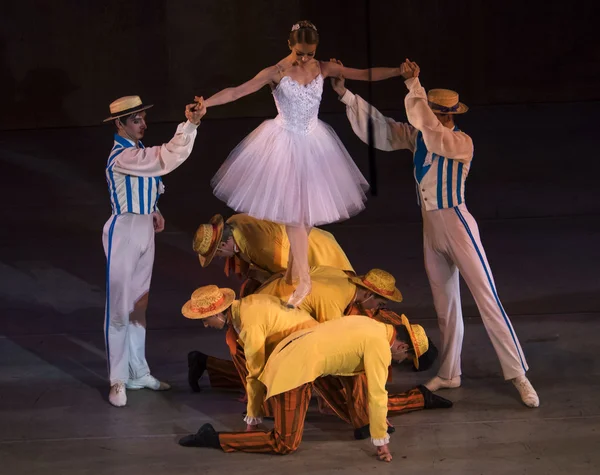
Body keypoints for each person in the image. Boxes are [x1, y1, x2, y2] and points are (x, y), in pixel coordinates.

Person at [330, 58, 539, 407]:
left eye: (434, 112)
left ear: (447, 115)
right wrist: (346, 96)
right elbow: (382, 129)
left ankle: (519, 374)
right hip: (431, 230)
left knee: (488, 300)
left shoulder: (460, 142)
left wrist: (415, 89)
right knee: (445, 305)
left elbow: (431, 131)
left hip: (458, 225)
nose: (430, 115)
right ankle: (449, 372)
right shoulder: (420, 136)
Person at [199, 20, 404, 308]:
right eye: (299, 52)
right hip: (284, 142)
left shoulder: (322, 68)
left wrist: (398, 71)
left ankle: (294, 274)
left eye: (309, 53)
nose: (304, 58)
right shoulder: (276, 72)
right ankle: (304, 281)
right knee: (295, 216)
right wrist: (206, 103)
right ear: (289, 44)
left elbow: (364, 74)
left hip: (314, 143)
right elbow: (237, 91)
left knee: (305, 219)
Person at [179, 314, 450, 463]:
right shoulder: (379, 347)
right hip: (293, 369)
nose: (399, 364)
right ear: (402, 347)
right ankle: (214, 438)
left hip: (294, 356)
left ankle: (364, 422)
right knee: (284, 443)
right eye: (404, 360)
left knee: (347, 383)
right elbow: (376, 395)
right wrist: (381, 441)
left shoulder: (370, 326)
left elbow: (340, 366)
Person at [102, 95, 205, 407]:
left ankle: (138, 371)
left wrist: (154, 209)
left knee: (139, 305)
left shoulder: (137, 151)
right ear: (120, 124)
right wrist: (190, 125)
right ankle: (117, 379)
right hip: (124, 232)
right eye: (136, 120)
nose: (143, 124)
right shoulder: (122, 157)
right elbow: (164, 159)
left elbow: (149, 181)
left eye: (143, 118)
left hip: (145, 228)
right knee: (119, 307)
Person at [182, 285, 317, 424]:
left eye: (205, 320)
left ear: (216, 314)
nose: (205, 325)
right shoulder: (243, 308)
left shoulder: (249, 324)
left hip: (305, 345)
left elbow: (256, 372)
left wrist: (253, 416)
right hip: (291, 343)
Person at [192, 213, 354, 296]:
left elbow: (289, 273)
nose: (221, 258)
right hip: (295, 242)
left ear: (223, 244)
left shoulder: (261, 248)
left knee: (331, 288)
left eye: (217, 253)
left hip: (314, 250)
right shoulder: (234, 222)